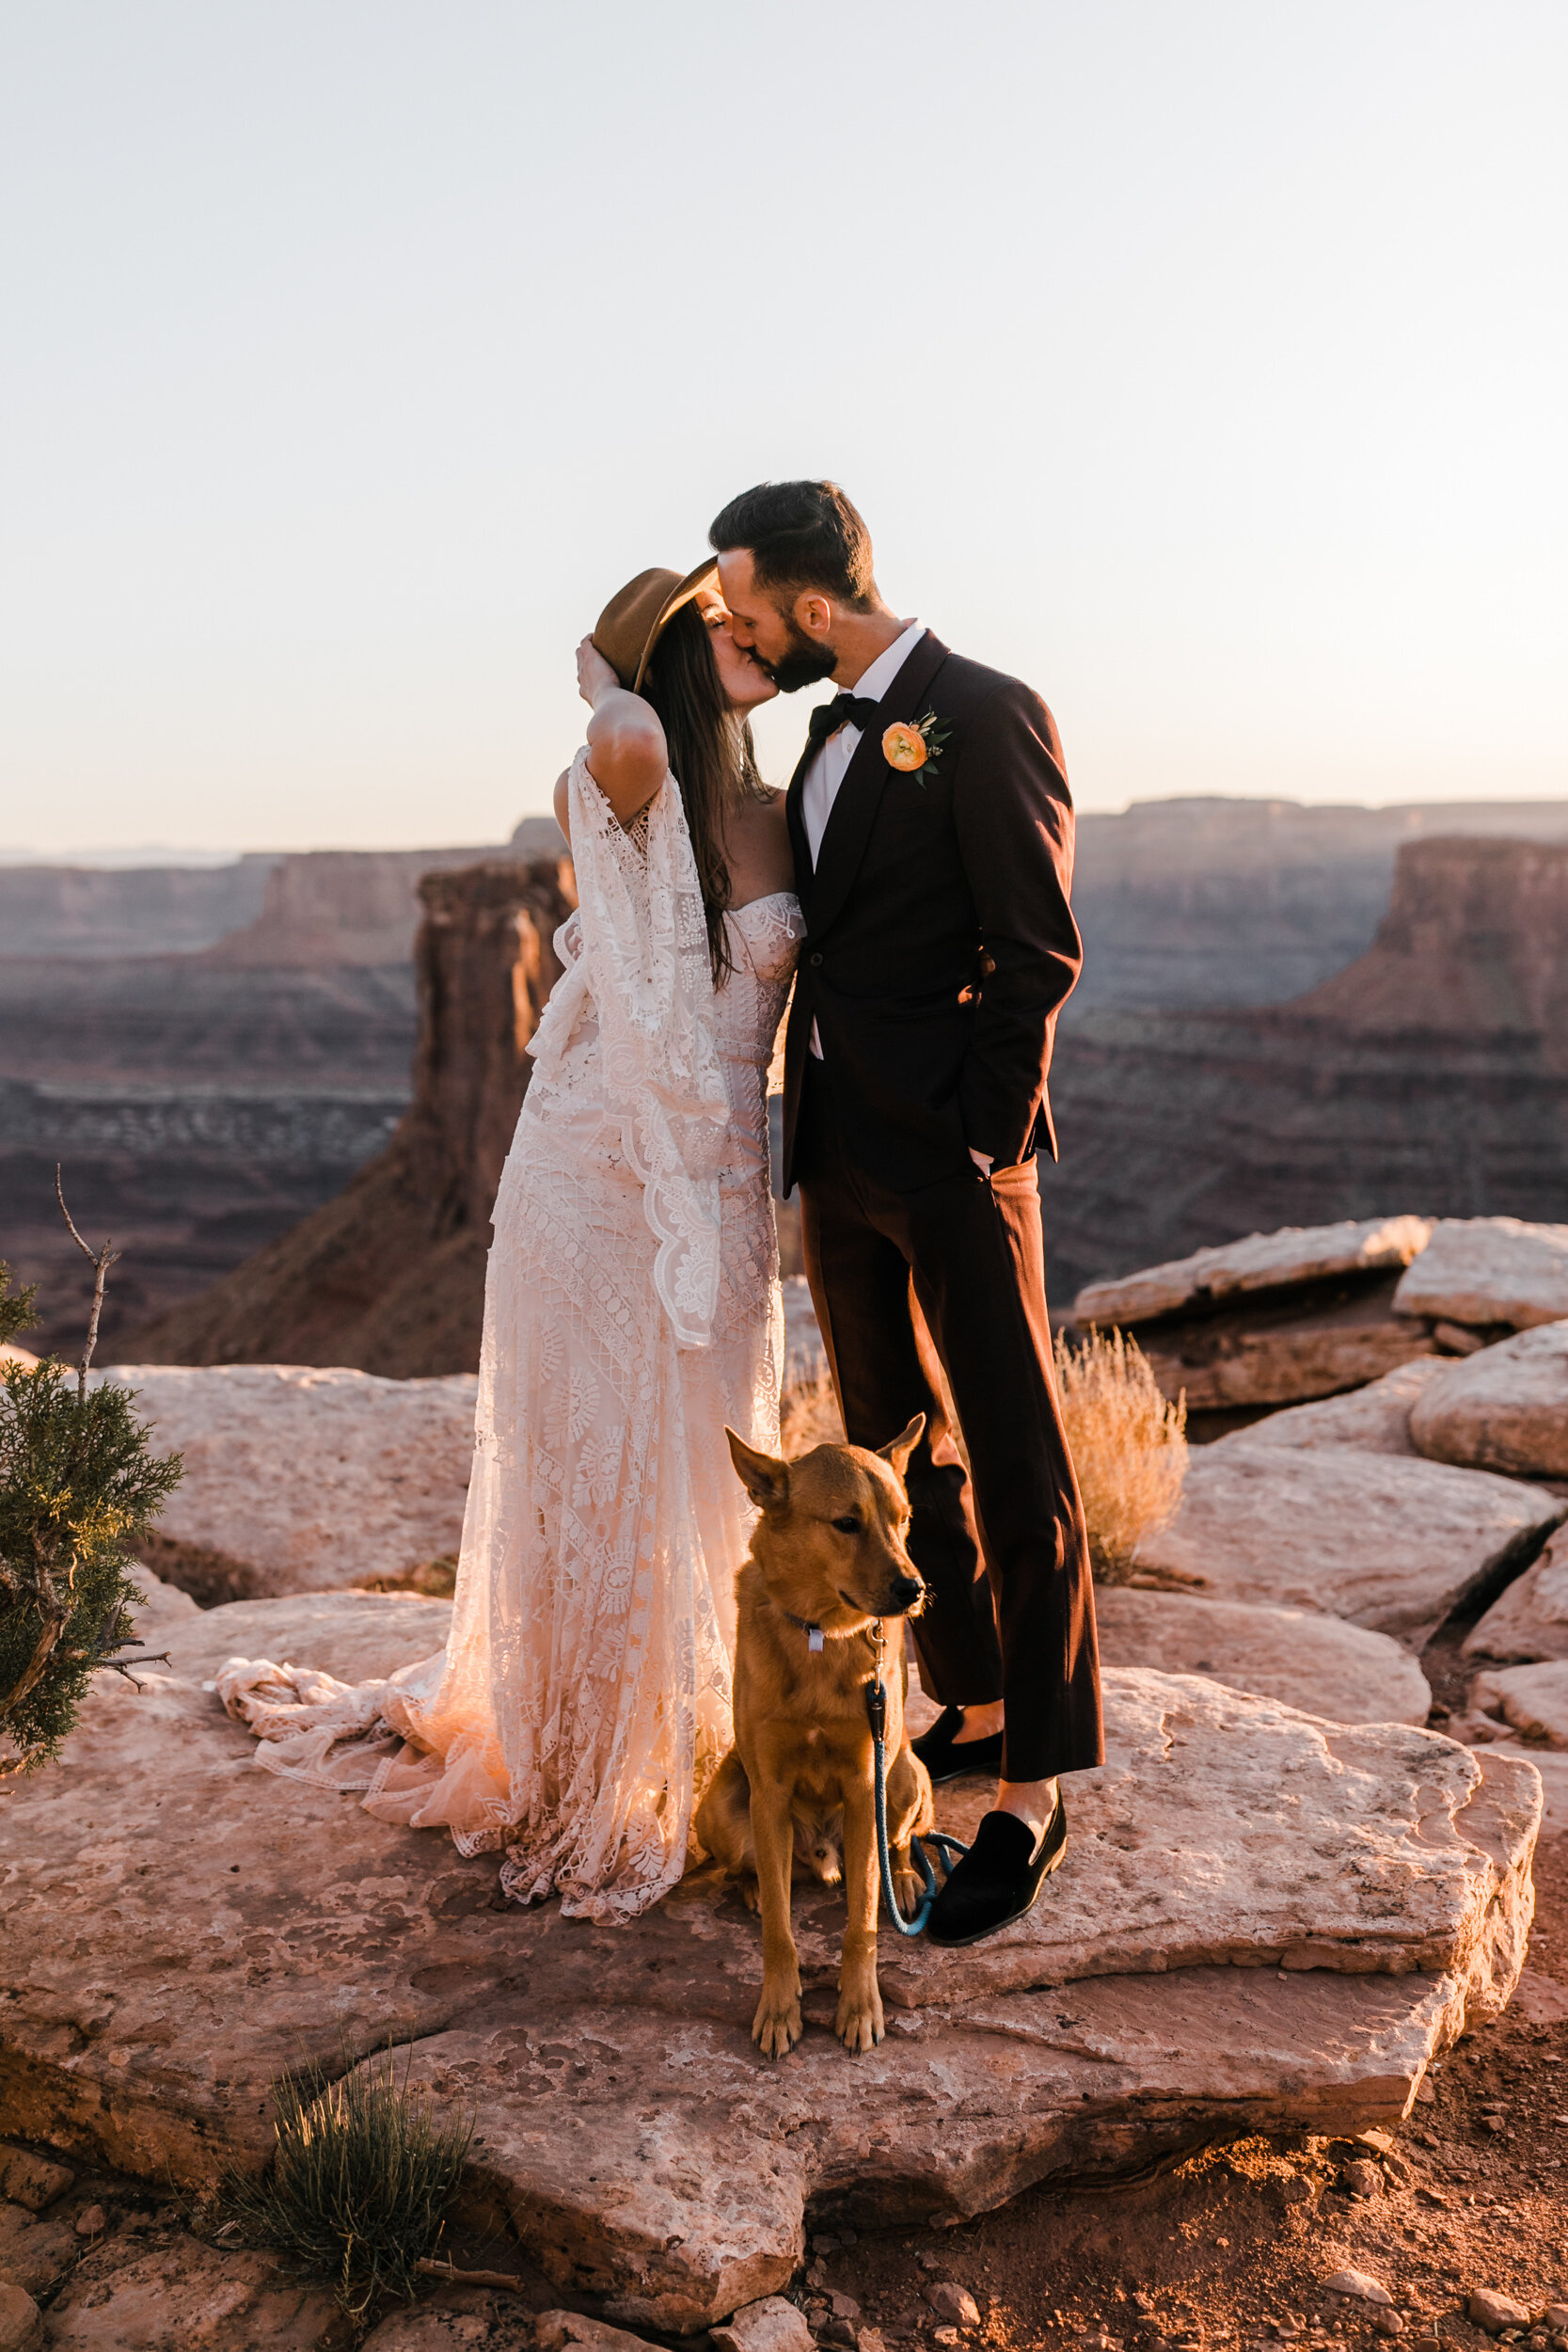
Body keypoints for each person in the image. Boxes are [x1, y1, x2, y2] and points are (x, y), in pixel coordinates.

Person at [218, 563, 802, 1923]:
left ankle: (694, 1739)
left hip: (715, 1182)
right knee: (594, 1470)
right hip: (581, 1186)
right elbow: (633, 739)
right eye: (707, 625)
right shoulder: (612, 777)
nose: (739, 633)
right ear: (657, 666)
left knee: (700, 1463)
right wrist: (605, 678)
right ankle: (583, 1761)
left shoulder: (786, 811)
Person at [708, 478, 1102, 1947]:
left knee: (1015, 1454)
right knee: (888, 1447)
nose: (738, 631)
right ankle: (976, 1705)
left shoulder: (986, 713)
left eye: (749, 609)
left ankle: (1036, 1791)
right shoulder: (821, 729)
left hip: (948, 1159)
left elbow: (1036, 953)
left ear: (815, 605)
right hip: (839, 1156)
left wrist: (980, 1141)